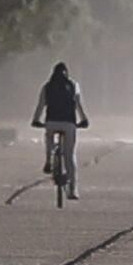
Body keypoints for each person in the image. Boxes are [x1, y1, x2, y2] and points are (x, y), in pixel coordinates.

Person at [32, 63, 88, 193]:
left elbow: (40, 106)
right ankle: (73, 189)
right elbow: (78, 105)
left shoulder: (47, 87)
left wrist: (36, 120)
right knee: (69, 156)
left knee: (49, 136)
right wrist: (84, 120)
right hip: (69, 124)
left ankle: (49, 159)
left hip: (51, 122)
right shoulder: (74, 86)